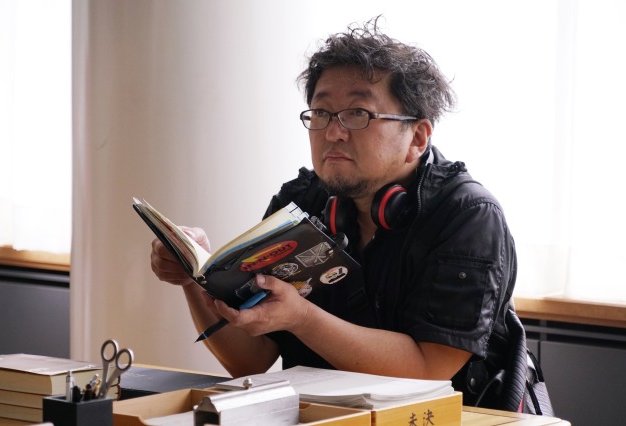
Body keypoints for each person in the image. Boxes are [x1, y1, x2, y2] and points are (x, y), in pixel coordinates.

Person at [150, 17, 521, 410]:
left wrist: (302, 318)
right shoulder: (300, 203)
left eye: (358, 113)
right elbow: (250, 360)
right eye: (322, 112)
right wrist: (194, 277)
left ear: (417, 137)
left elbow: (428, 369)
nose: (332, 132)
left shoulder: (467, 216)